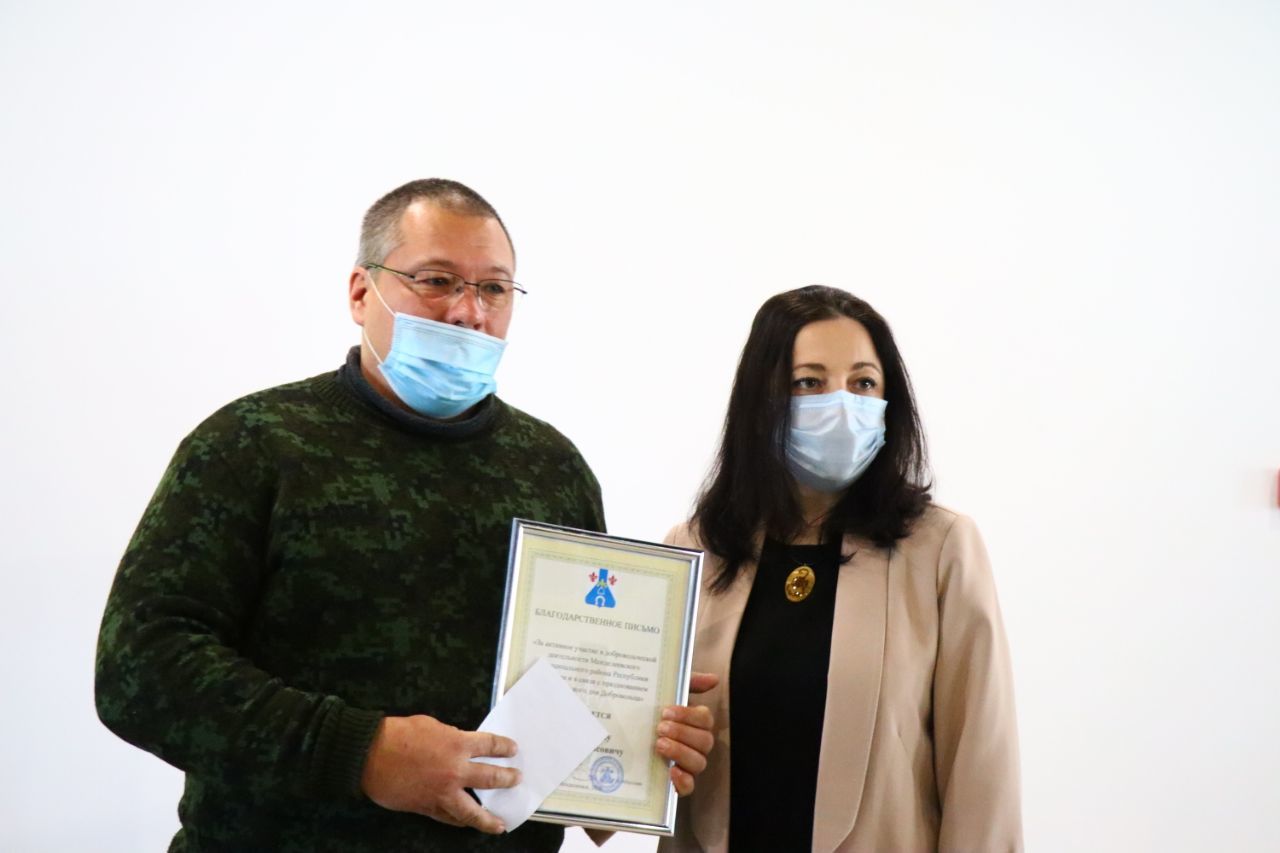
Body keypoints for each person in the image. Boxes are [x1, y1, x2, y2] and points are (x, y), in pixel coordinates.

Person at [95, 178, 715, 852]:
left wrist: (632, 749)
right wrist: (363, 752)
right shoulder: (254, 443)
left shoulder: (553, 469)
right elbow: (140, 667)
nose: (468, 311)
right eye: (437, 280)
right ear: (362, 292)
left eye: (494, 288)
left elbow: (571, 684)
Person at [659, 286, 1022, 852]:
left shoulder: (941, 549)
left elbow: (981, 770)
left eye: (863, 383)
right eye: (809, 382)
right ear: (760, 400)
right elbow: (641, 743)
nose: (841, 405)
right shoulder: (694, 549)